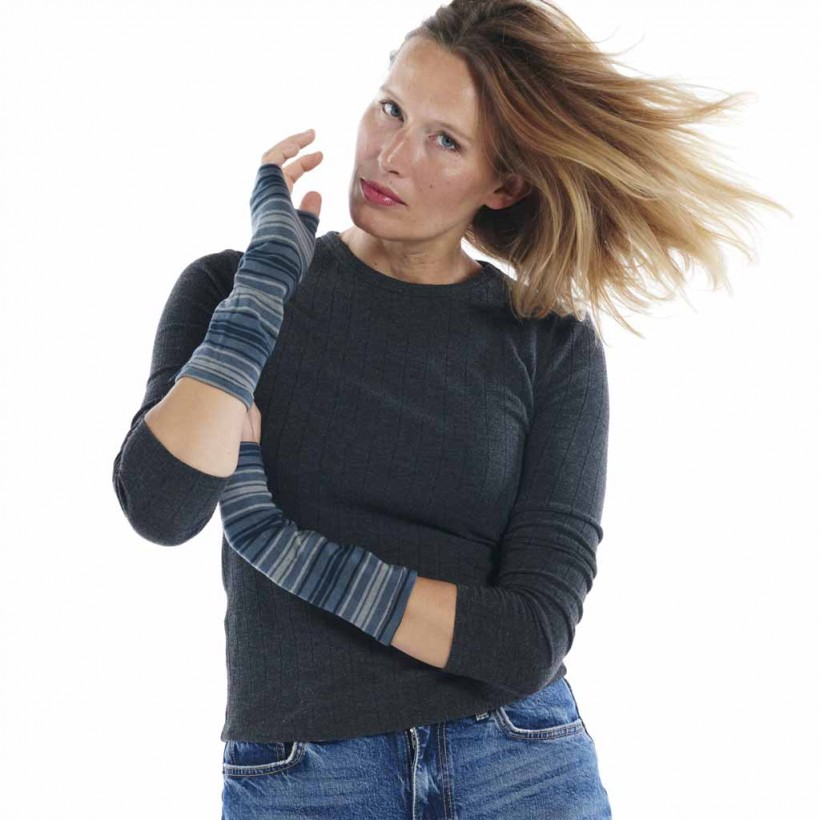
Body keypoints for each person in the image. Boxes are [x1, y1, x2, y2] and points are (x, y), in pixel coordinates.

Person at [112, 1, 787, 817]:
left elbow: (528, 639)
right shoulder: (229, 290)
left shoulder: (549, 342)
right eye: (392, 109)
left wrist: (275, 543)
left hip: (518, 764)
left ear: (503, 184)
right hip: (303, 781)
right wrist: (264, 287)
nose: (391, 155)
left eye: (446, 141)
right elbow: (161, 506)